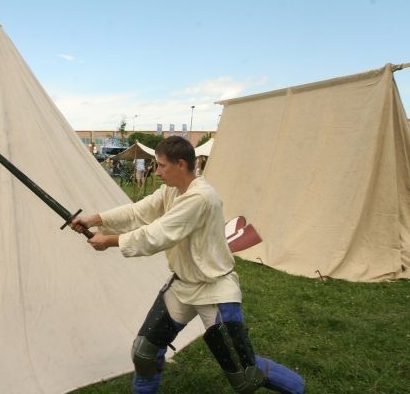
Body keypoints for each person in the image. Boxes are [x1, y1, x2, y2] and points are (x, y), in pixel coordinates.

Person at [71, 136, 305, 394]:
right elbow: (138, 212)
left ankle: (298, 388)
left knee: (245, 376)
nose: (156, 171)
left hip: (214, 289)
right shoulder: (172, 191)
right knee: (144, 353)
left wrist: (110, 241)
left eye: (161, 166)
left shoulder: (201, 198)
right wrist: (95, 219)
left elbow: (157, 235)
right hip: (182, 286)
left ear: (181, 164)